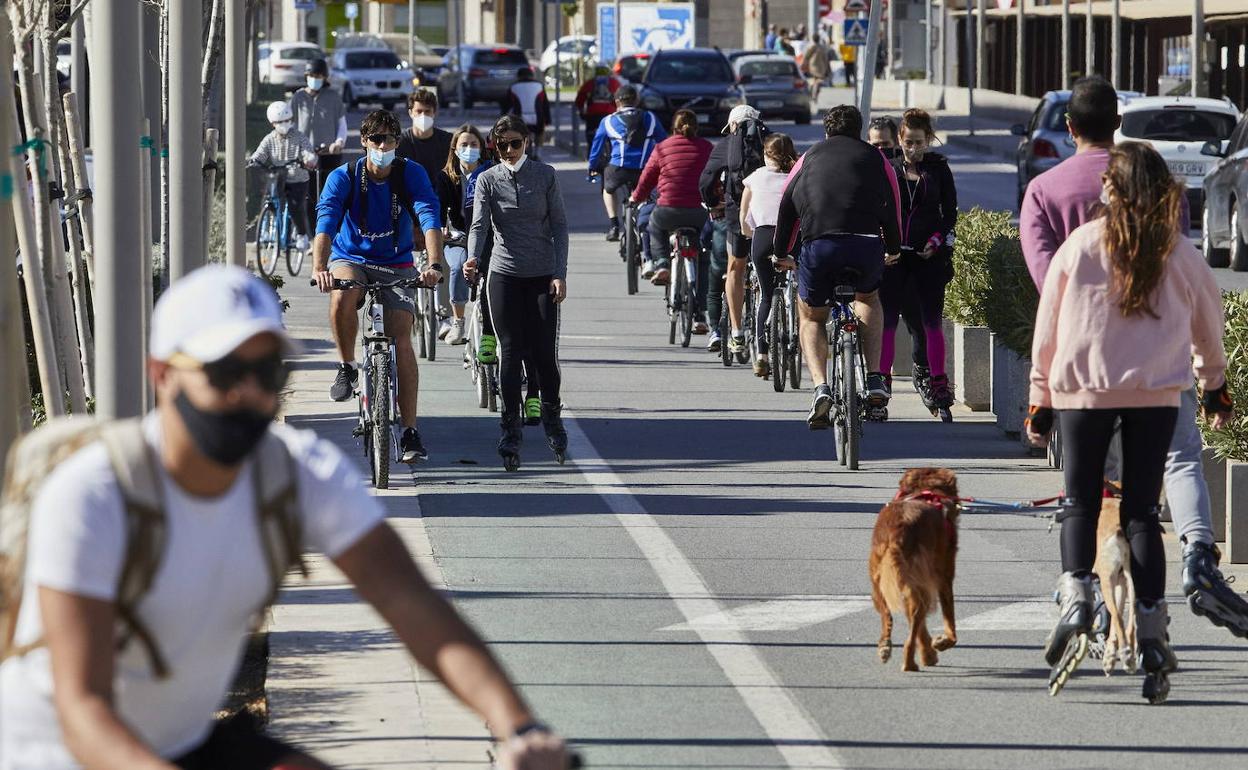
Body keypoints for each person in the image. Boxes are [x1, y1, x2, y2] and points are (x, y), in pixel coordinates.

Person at [0, 264, 572, 770]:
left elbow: (412, 605)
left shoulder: (293, 473)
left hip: (186, 742)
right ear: (163, 375)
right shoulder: (97, 494)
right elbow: (83, 709)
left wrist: (518, 726)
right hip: (62, 751)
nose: (249, 393)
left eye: (268, 374)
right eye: (224, 374)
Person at [1019, 76, 1247, 640]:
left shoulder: (1065, 223)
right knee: (1153, 498)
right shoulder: (1169, 237)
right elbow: (1206, 311)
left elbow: (1049, 315)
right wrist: (1213, 383)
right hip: (1154, 387)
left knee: (1084, 497)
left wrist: (1039, 401)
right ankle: (1168, 596)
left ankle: (1078, 593)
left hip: (1082, 386)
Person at [312, 110, 445, 463]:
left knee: (401, 334)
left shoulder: (410, 174)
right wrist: (319, 267)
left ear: (398, 142)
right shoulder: (344, 177)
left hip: (396, 262)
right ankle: (346, 366)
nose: (382, 145)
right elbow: (325, 223)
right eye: (376, 139)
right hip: (351, 257)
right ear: (364, 142)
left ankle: (411, 430)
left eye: (389, 139)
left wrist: (434, 264)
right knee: (343, 293)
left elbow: (429, 216)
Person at [774, 105, 901, 428]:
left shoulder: (808, 158)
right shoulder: (876, 158)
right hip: (865, 244)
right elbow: (893, 204)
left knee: (813, 315)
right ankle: (874, 378)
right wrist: (894, 246)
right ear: (858, 130)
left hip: (820, 246)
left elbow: (787, 206)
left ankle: (821, 387)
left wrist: (781, 251)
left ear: (826, 131)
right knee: (868, 298)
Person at [465, 116, 569, 470]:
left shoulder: (545, 176)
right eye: (501, 145)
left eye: (515, 144)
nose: (509, 151)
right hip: (504, 274)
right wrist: (472, 258)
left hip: (541, 275)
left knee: (543, 354)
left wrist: (559, 274)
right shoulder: (487, 179)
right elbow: (479, 225)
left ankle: (552, 417)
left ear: (527, 142)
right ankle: (510, 429)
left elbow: (559, 226)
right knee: (509, 353)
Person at [879, 109, 957, 417]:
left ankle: (938, 383)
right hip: (894, 256)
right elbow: (880, 209)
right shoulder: (889, 168)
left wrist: (936, 242)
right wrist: (886, 244)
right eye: (908, 142)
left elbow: (949, 213)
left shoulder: (938, 170)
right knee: (886, 320)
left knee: (931, 322)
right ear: (899, 139)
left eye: (919, 143)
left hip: (928, 256)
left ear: (928, 141)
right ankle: (880, 381)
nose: (913, 148)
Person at [700, 104, 768, 360]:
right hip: (767, 217)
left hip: (736, 215)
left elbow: (707, 179)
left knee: (735, 268)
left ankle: (737, 331)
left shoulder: (725, 145)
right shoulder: (770, 141)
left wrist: (711, 202)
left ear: (732, 125)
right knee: (769, 269)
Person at [739, 133, 798, 379]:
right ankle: (795, 328)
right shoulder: (796, 177)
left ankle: (762, 355)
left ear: (765, 154)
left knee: (765, 294)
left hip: (763, 238)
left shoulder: (755, 177)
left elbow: (744, 222)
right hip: (793, 238)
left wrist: (751, 233)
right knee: (798, 289)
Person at [631, 109, 713, 287]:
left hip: (668, 209)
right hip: (698, 210)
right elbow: (714, 176)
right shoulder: (706, 147)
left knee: (654, 225)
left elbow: (647, 179)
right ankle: (699, 263)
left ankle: (662, 264)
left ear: (673, 128)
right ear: (696, 128)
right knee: (704, 238)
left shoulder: (662, 148)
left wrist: (636, 197)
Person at [588, 85, 665, 242]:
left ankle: (614, 225)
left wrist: (592, 168)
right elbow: (663, 142)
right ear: (636, 100)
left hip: (618, 168)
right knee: (649, 194)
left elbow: (596, 147)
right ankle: (646, 221)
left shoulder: (608, 121)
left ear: (616, 102)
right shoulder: (650, 117)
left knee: (608, 189)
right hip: (645, 169)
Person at [250, 101, 318, 254]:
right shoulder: (269, 139)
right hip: (278, 177)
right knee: (267, 199)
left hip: (298, 178)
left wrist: (309, 159)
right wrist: (253, 161)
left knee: (295, 206)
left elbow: (308, 152)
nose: (284, 124)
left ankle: (301, 234)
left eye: (287, 121)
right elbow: (259, 154)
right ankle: (266, 230)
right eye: (280, 122)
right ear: (272, 123)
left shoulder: (299, 137)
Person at [290, 58, 347, 223]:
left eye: (319, 76)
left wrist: (339, 143)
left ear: (325, 78)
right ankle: (310, 237)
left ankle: (331, 233)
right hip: (306, 155)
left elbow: (342, 124)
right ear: (307, 76)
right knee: (307, 196)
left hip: (329, 153)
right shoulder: (298, 97)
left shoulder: (333, 97)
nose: (315, 79)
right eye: (312, 75)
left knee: (329, 195)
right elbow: (292, 125)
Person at [397, 89, 454, 186]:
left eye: (427, 111)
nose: (423, 115)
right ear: (410, 112)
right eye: (419, 111)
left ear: (434, 112)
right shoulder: (400, 143)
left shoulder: (448, 140)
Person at [574, 65, 623, 150]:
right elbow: (621, 97)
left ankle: (591, 154)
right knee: (613, 136)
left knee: (591, 136)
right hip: (610, 114)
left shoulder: (589, 83)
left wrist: (581, 111)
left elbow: (580, 99)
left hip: (592, 114)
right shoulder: (614, 83)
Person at [507, 67, 551, 162]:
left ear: (518, 76)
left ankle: (525, 151)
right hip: (538, 118)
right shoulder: (539, 85)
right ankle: (538, 152)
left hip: (519, 119)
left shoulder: (513, 86)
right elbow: (545, 104)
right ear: (532, 75)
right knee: (540, 132)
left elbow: (507, 104)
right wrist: (547, 120)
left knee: (522, 135)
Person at [803, 35, 830, 101]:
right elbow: (826, 58)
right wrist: (827, 68)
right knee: (817, 82)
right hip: (821, 67)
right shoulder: (822, 47)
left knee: (815, 81)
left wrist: (804, 64)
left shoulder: (811, 47)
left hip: (812, 66)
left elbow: (806, 57)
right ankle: (814, 94)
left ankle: (812, 93)